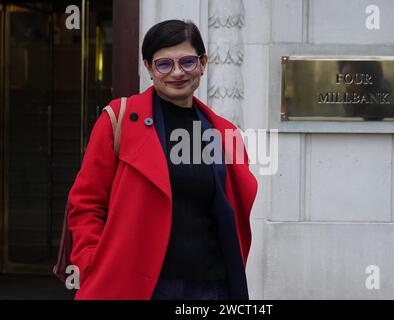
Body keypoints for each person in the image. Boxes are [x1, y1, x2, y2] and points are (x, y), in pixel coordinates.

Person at [67, 19, 258, 300]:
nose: (177, 72)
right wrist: (92, 262)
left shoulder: (223, 132)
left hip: (211, 286)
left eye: (188, 62)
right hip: (139, 285)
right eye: (164, 64)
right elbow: (86, 202)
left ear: (203, 63)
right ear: (149, 67)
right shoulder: (118, 119)